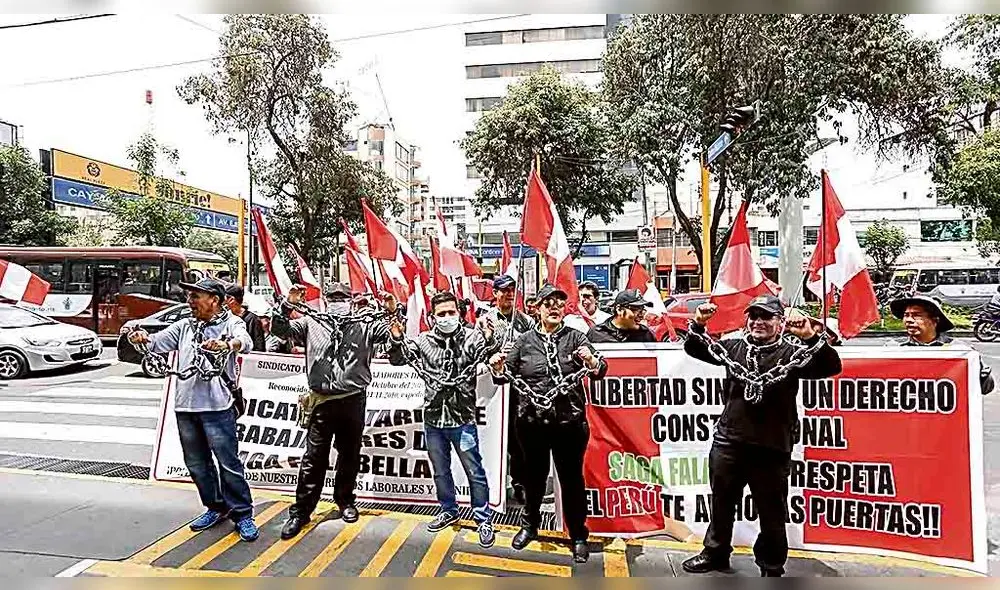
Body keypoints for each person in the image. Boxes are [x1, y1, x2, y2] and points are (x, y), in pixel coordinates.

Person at [682, 295, 842, 577]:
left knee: (771, 511)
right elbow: (696, 348)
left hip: (772, 446)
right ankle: (715, 552)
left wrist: (808, 336)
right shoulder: (733, 347)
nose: (759, 322)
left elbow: (830, 367)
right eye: (754, 316)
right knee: (721, 502)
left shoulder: (792, 352)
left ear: (781, 322)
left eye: (767, 317)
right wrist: (699, 322)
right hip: (729, 442)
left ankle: (771, 564)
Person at [127, 278, 258, 542]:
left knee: (228, 463)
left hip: (218, 407)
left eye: (196, 296)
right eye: (189, 296)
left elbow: (245, 341)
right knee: (197, 464)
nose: (190, 301)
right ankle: (216, 506)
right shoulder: (185, 326)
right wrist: (139, 337)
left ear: (214, 300)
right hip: (185, 407)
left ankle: (243, 514)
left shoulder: (231, 323)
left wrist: (227, 345)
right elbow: (155, 343)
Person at [489, 283, 608, 563]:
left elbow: (600, 370)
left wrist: (591, 361)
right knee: (534, 478)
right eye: (548, 303)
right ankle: (530, 525)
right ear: (537, 309)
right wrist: (497, 367)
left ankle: (578, 533)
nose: (554, 308)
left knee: (571, 479)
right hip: (532, 423)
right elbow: (504, 376)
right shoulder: (525, 341)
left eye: (559, 303)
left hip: (569, 423)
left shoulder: (576, 338)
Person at [272, 282, 395, 540]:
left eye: (343, 296)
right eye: (333, 296)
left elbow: (393, 335)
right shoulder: (309, 322)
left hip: (352, 399)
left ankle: (346, 501)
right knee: (313, 457)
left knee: (349, 454)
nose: (338, 300)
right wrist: (288, 304)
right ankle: (302, 511)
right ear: (326, 300)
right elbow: (279, 329)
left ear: (350, 300)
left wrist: (391, 310)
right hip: (321, 401)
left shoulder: (365, 324)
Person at [387, 291, 497, 548]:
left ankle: (483, 518)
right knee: (440, 470)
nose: (447, 318)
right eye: (441, 314)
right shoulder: (423, 342)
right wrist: (396, 337)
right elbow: (398, 358)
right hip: (434, 420)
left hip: (463, 419)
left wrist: (490, 337)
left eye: (451, 313)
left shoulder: (472, 338)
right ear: (432, 317)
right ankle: (448, 509)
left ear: (458, 313)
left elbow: (489, 351)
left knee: (474, 470)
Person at [483, 274, 534, 503]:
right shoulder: (485, 321)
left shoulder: (526, 322)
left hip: (518, 388)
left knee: (519, 439)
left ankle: (520, 482)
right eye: (504, 290)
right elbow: (478, 352)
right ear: (495, 293)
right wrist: (491, 340)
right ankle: (493, 482)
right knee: (493, 436)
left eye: (513, 290)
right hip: (493, 386)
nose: (509, 294)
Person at [888, 294, 994, 394]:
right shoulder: (893, 348)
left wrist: (977, 366)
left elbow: (985, 388)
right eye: (906, 315)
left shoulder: (958, 349)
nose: (909, 320)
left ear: (935, 321)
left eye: (917, 315)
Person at [587, 289, 657, 343]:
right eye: (636, 310)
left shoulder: (646, 334)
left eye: (642, 310)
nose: (641, 315)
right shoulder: (597, 333)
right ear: (619, 309)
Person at [224, 284, 266, 352]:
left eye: (224, 299)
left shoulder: (253, 319)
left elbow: (259, 347)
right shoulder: (224, 318)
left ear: (231, 300)